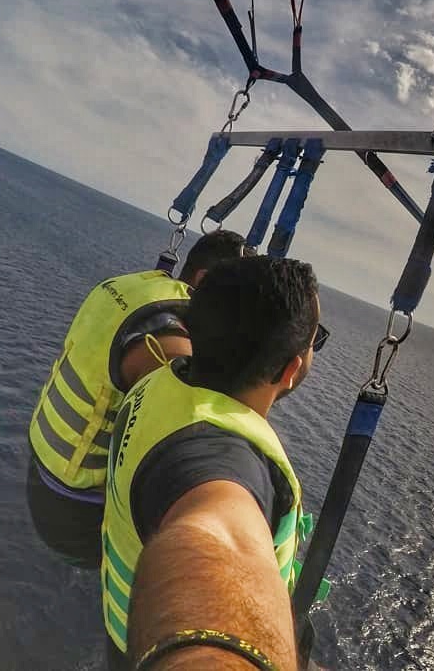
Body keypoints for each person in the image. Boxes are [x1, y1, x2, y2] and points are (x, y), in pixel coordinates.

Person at [101, 256, 327, 671]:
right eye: (316, 340)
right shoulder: (222, 463)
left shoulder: (165, 381)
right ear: (291, 368)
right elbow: (213, 537)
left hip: (128, 635)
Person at [26, 230, 253, 567]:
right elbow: (200, 418)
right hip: (78, 514)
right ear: (205, 280)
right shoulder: (167, 339)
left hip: (41, 473)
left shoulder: (126, 287)